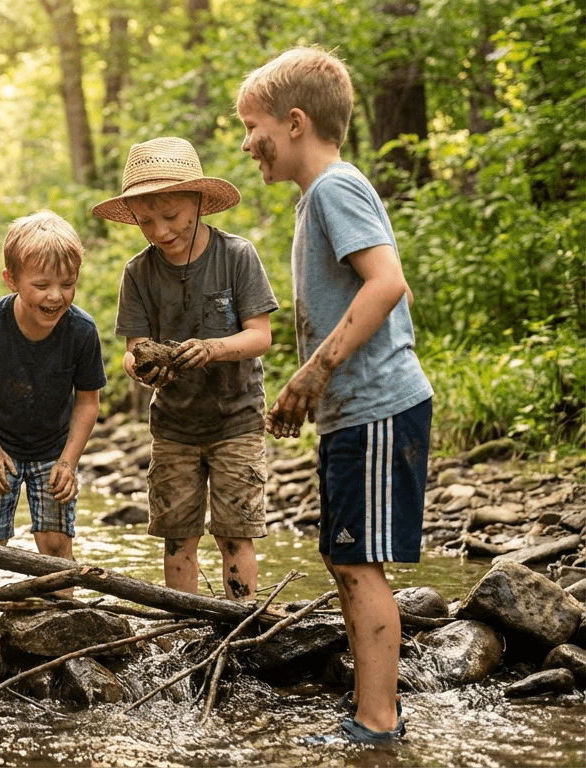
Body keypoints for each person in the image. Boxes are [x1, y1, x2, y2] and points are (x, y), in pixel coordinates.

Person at [238, 46, 433, 743]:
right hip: (357, 411)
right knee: (344, 555)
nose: (245, 140)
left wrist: (311, 374)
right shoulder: (316, 197)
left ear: (294, 123)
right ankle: (374, 711)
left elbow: (386, 283)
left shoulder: (334, 188)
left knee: (355, 559)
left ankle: (377, 723)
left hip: (379, 402)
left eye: (252, 125)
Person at [93, 136, 277, 602]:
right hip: (173, 426)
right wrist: (142, 366)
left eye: (170, 216)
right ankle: (183, 624)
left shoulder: (237, 257)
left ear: (198, 202)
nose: (159, 230)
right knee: (178, 536)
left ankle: (240, 619)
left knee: (236, 531)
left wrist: (213, 348)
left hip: (237, 418)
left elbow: (260, 336)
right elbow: (133, 348)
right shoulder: (138, 273)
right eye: (145, 220)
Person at [0, 211, 104, 592]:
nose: (55, 296)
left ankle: (64, 617)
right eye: (41, 285)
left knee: (55, 544)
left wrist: (69, 462)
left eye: (67, 284)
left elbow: (88, 402)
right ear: (12, 280)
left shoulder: (82, 331)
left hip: (53, 449)